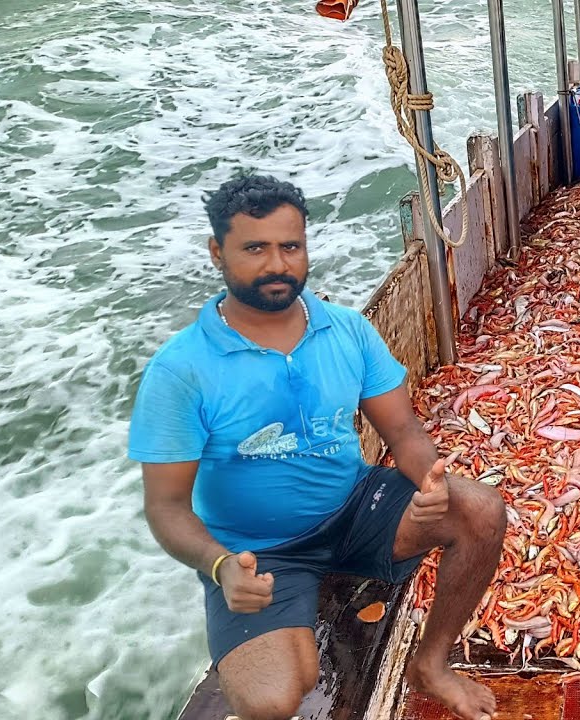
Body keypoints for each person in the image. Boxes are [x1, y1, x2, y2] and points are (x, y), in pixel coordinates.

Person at [128, 174, 507, 720]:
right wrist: (220, 567)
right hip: (260, 552)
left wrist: (429, 480)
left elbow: (403, 433)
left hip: (353, 509)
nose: (277, 264)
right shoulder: (181, 369)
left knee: (479, 509)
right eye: (255, 248)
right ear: (217, 252)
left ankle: (432, 663)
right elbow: (166, 507)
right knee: (271, 698)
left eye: (291, 246)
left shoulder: (347, 330)